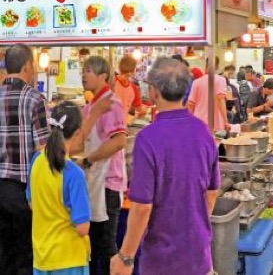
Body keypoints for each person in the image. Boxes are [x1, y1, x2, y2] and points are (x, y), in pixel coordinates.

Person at [111, 57, 220, 275]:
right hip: (199, 256)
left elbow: (142, 207)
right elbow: (212, 192)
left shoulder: (147, 138)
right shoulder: (204, 132)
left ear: (153, 91)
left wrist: (125, 257)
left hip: (162, 262)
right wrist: (194, 226)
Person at [0, 44, 49, 275]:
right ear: (27, 66)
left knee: (3, 255)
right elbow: (44, 149)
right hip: (23, 191)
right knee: (25, 254)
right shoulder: (34, 99)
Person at [27, 102, 91, 275]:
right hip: (69, 259)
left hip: (41, 257)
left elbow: (32, 204)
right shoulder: (74, 174)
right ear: (78, 133)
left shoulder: (36, 160)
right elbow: (82, 228)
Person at [81, 56, 128, 275]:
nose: (83, 75)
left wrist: (89, 160)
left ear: (103, 76)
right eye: (83, 70)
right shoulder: (91, 105)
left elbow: (119, 141)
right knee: (92, 246)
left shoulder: (111, 104)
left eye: (88, 71)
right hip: (93, 183)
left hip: (108, 184)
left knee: (106, 247)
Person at [186, 57, 230, 133]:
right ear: (217, 67)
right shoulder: (221, 80)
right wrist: (226, 122)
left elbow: (190, 104)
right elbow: (220, 100)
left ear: (206, 65)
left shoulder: (196, 82)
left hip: (198, 123)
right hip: (215, 124)